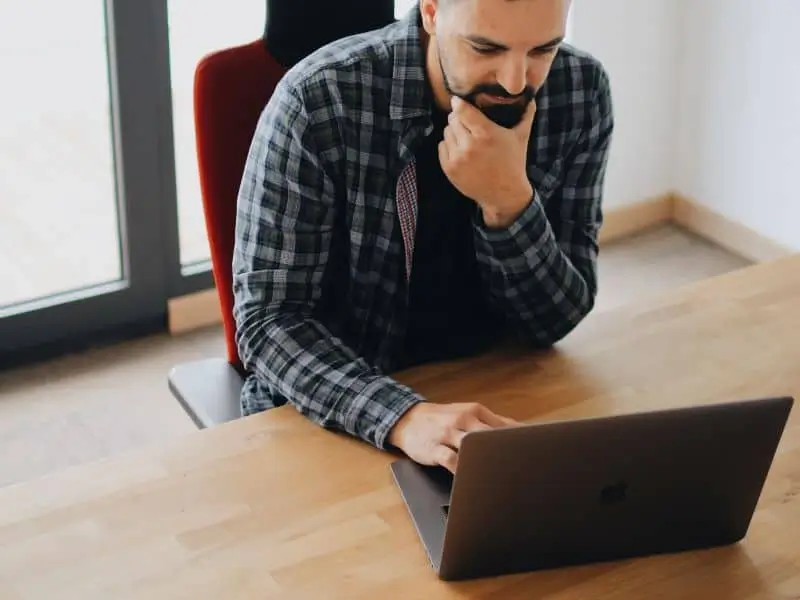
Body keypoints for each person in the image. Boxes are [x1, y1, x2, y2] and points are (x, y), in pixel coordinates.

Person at [232, 0, 614, 473]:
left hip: (491, 394)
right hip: (336, 413)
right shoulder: (318, 100)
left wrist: (509, 202)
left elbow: (556, 320)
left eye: (542, 49)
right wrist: (402, 417)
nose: (516, 82)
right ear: (432, 11)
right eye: (485, 47)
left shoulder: (580, 92)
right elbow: (268, 323)